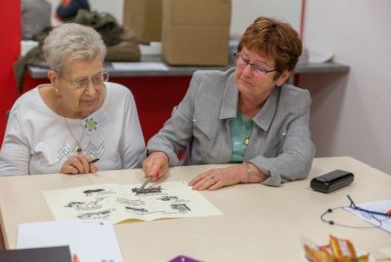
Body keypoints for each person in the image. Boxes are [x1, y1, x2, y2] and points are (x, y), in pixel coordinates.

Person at [143, 17, 315, 190]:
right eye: (244, 59)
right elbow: (168, 138)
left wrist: (241, 173)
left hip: (259, 199)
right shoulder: (204, 85)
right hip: (200, 191)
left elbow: (300, 158)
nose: (246, 72)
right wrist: (160, 154)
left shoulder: (295, 102)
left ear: (283, 76)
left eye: (259, 68)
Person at [0, 23, 145, 176]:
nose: (91, 92)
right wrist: (60, 178)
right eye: (81, 82)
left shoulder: (121, 99)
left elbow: (136, 170)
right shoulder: (27, 108)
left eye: (97, 78)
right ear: (55, 80)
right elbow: (9, 181)